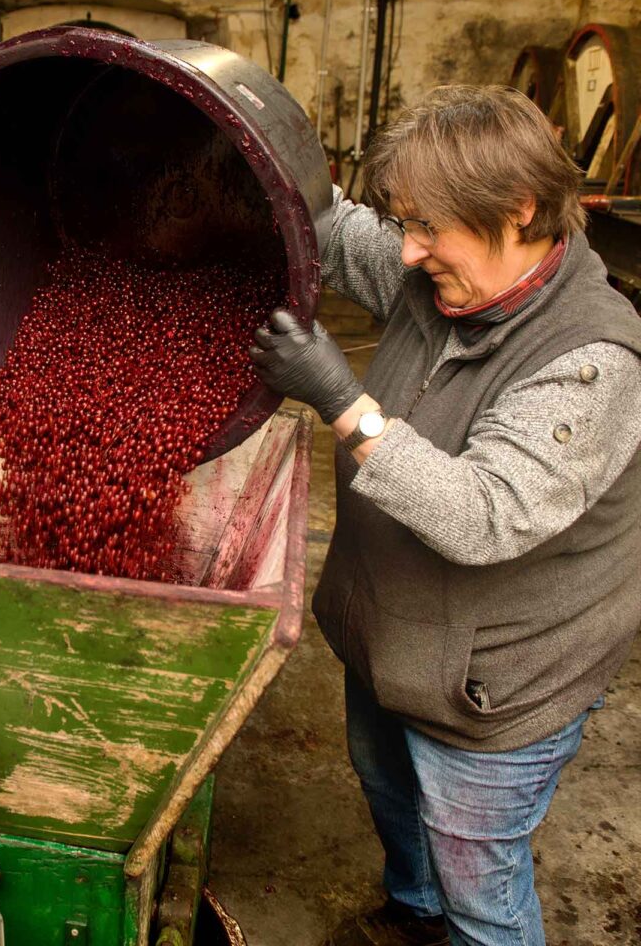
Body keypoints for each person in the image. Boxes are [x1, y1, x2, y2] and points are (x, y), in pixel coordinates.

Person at [250, 85, 641, 946]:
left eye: (430, 230)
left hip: (495, 685)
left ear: (519, 209)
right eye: (408, 225)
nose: (409, 253)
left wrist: (342, 401)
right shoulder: (452, 273)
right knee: (391, 794)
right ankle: (414, 917)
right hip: (390, 635)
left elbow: (483, 515)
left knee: (481, 887)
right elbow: (332, 229)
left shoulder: (590, 362)